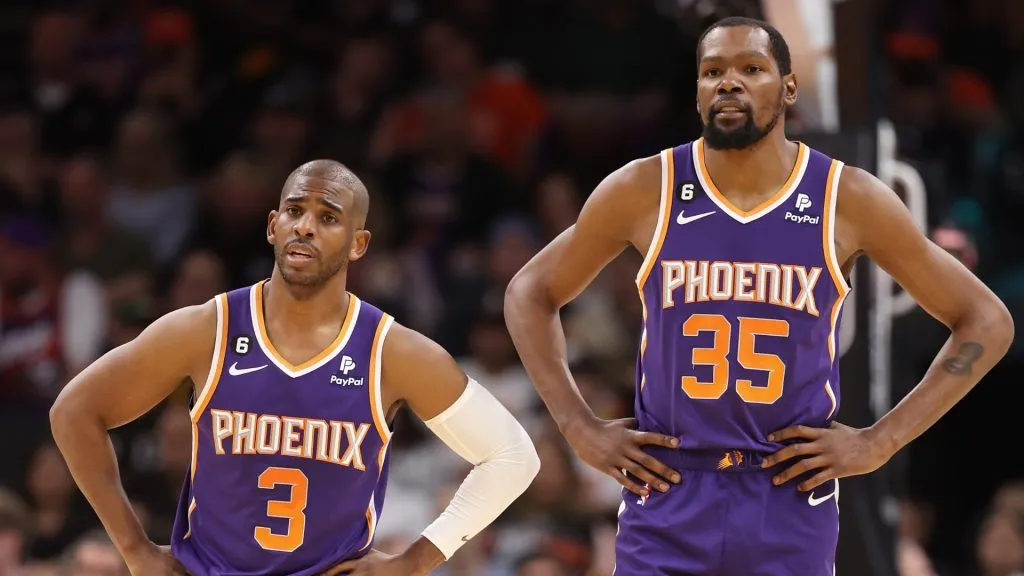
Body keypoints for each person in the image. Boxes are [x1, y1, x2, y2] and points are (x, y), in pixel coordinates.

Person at [503, 16, 1014, 575]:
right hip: (670, 488)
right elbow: (530, 292)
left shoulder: (848, 197)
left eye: (751, 68)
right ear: (696, 90)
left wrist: (880, 441)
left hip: (788, 490)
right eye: (713, 71)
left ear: (788, 88)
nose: (729, 83)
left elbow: (985, 320)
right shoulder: (645, 187)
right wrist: (578, 426)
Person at [50, 159, 541, 576]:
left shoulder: (392, 352)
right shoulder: (206, 330)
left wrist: (415, 561)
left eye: (328, 217)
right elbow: (73, 411)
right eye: (294, 211)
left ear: (358, 244)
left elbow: (513, 456)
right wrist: (134, 549)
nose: (305, 226)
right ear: (272, 226)